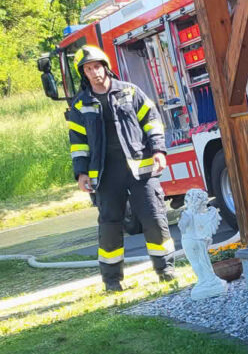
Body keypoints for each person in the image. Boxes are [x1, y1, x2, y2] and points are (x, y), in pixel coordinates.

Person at [66, 45, 176, 292]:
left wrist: (158, 150)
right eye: (88, 69)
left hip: (140, 170)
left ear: (105, 66)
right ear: (83, 73)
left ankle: (166, 270)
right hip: (105, 175)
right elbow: (78, 144)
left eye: (96, 66)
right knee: (109, 226)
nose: (94, 72)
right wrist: (81, 173)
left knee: (154, 219)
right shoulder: (80, 105)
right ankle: (112, 281)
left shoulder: (130, 92)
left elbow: (152, 121)